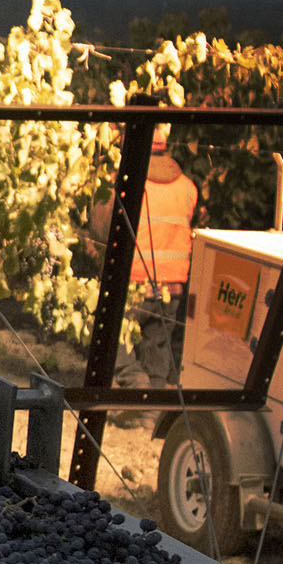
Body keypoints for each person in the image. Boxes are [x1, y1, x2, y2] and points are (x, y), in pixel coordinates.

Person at [89, 126, 198, 388]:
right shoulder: (187, 187)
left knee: (116, 340)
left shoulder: (121, 183)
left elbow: (101, 232)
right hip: (174, 286)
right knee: (157, 346)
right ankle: (152, 402)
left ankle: (133, 383)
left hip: (134, 282)